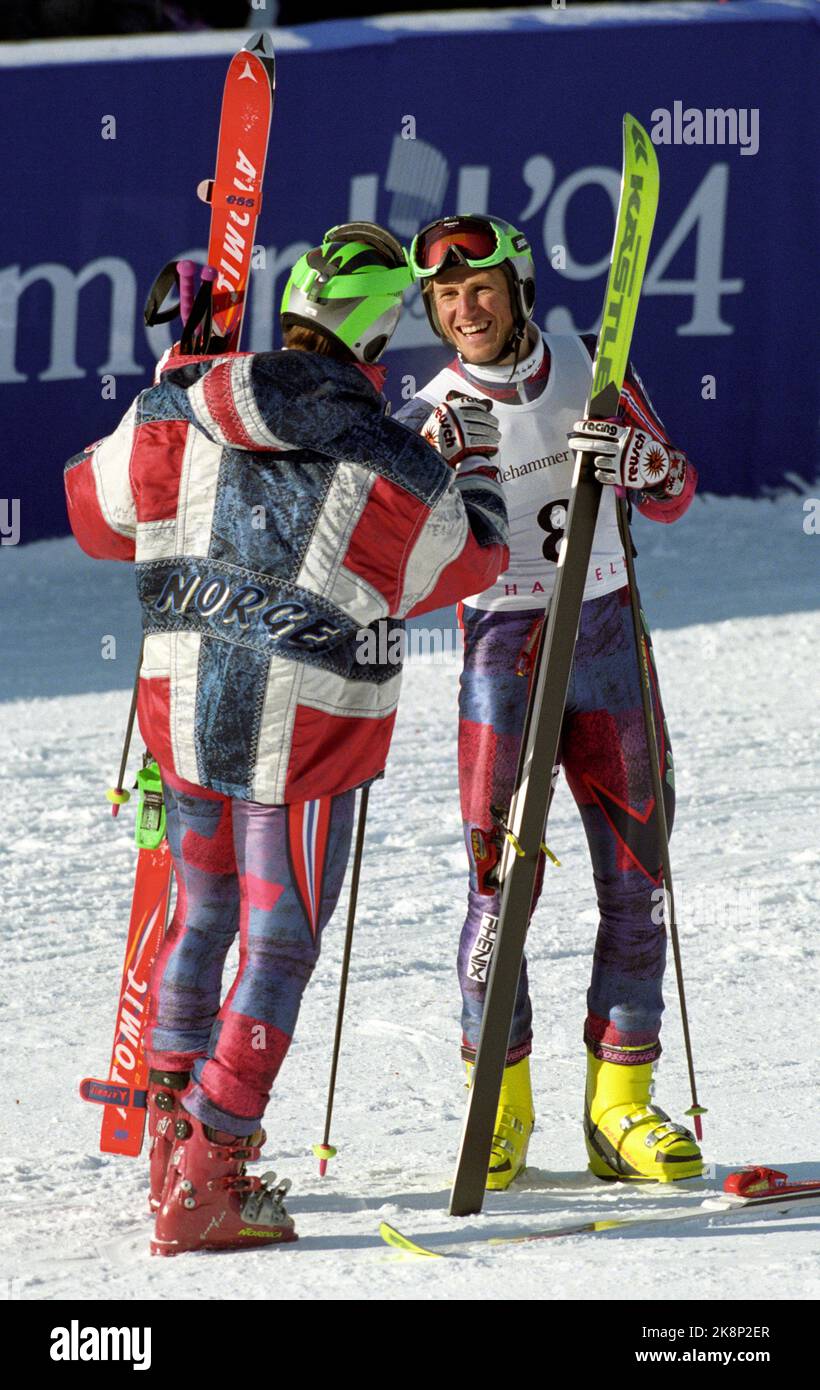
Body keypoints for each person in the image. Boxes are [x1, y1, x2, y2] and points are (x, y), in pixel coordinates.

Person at [64, 222, 508, 1255]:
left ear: (294, 308)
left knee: (199, 916)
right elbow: (466, 568)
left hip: (183, 707)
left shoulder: (183, 400)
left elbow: (92, 517)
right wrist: (475, 468)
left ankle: (172, 1143)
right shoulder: (397, 457)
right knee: (278, 945)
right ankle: (209, 1179)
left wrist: (176, 369)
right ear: (379, 335)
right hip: (303, 737)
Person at [397, 214, 702, 1189]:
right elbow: (407, 569)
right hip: (506, 651)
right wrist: (443, 484)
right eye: (445, 297)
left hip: (605, 631)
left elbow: (677, 488)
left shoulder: (590, 361)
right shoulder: (436, 405)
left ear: (517, 287)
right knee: (500, 892)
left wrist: (641, 464)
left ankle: (620, 1106)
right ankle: (501, 1108)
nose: (464, 309)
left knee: (636, 874)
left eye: (479, 287)